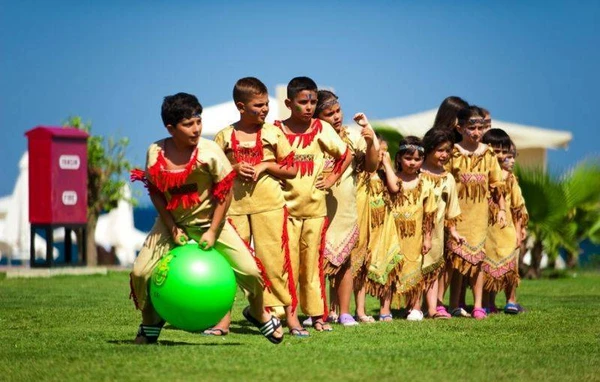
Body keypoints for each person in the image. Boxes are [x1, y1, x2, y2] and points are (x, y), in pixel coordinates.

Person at [129, 92, 283, 344]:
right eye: (188, 124)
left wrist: (212, 230)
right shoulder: (155, 152)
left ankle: (258, 314)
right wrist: (171, 227)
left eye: (198, 121)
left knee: (252, 271)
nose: (196, 128)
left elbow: (225, 192)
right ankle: (150, 323)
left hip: (212, 224)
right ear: (170, 128)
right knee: (140, 273)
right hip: (172, 224)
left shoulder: (209, 151)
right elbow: (155, 190)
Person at [208, 77, 299, 336]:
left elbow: (292, 169)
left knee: (275, 262)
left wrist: (266, 165)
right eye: (258, 105)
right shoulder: (224, 136)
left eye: (266, 104)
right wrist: (233, 169)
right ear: (241, 106)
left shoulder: (273, 133)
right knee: (230, 265)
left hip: (270, 206)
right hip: (233, 209)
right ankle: (222, 322)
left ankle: (286, 318)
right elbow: (211, 173)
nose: (265, 109)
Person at [274, 77, 351, 334]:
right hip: (284, 211)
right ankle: (291, 317)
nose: (308, 107)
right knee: (288, 266)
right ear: (288, 103)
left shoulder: (321, 128)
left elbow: (345, 154)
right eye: (303, 102)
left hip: (316, 211)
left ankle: (318, 316)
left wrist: (331, 178)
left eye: (313, 102)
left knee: (313, 266)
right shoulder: (275, 130)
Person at [313, 90, 379, 326]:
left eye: (337, 110)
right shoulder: (311, 137)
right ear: (316, 116)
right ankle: (317, 312)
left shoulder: (352, 136)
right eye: (329, 113)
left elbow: (371, 166)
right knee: (314, 262)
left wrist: (371, 142)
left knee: (345, 263)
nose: (336, 116)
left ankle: (344, 312)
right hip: (315, 207)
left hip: (344, 209)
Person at [445, 106, 506, 320]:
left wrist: (502, 210)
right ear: (460, 128)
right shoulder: (452, 153)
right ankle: (451, 304)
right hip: (456, 214)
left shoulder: (488, 154)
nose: (477, 132)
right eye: (472, 127)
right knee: (455, 261)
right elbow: (444, 182)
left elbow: (497, 185)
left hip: (480, 215)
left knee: (478, 261)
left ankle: (478, 305)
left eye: (480, 127)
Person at [379, 136, 437, 321]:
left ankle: (415, 307)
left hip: (415, 236)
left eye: (417, 159)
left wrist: (427, 238)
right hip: (392, 232)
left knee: (414, 267)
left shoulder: (425, 183)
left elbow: (429, 214)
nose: (413, 163)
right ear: (399, 158)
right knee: (390, 269)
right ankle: (385, 309)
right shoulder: (392, 180)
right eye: (408, 158)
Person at [481, 129, 528, 314]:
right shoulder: (483, 173)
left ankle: (511, 300)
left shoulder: (509, 177)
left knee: (510, 266)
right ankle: (488, 302)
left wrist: (518, 230)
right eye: (495, 150)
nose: (499, 155)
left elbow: (517, 206)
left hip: (506, 227)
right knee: (488, 266)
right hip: (488, 229)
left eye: (503, 151)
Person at [420, 127, 464, 319]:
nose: (444, 155)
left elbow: (451, 209)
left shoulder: (448, 178)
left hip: (436, 231)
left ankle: (431, 309)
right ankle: (414, 307)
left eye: (448, 150)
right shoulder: (416, 172)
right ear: (428, 149)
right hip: (413, 228)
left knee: (433, 268)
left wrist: (453, 231)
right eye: (440, 150)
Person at [358, 137, 401, 322]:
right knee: (360, 268)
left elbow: (395, 187)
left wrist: (387, 164)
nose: (380, 155)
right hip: (365, 227)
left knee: (388, 264)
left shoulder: (385, 175)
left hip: (385, 228)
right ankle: (360, 310)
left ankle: (385, 310)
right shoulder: (361, 174)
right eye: (377, 151)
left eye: (383, 151)